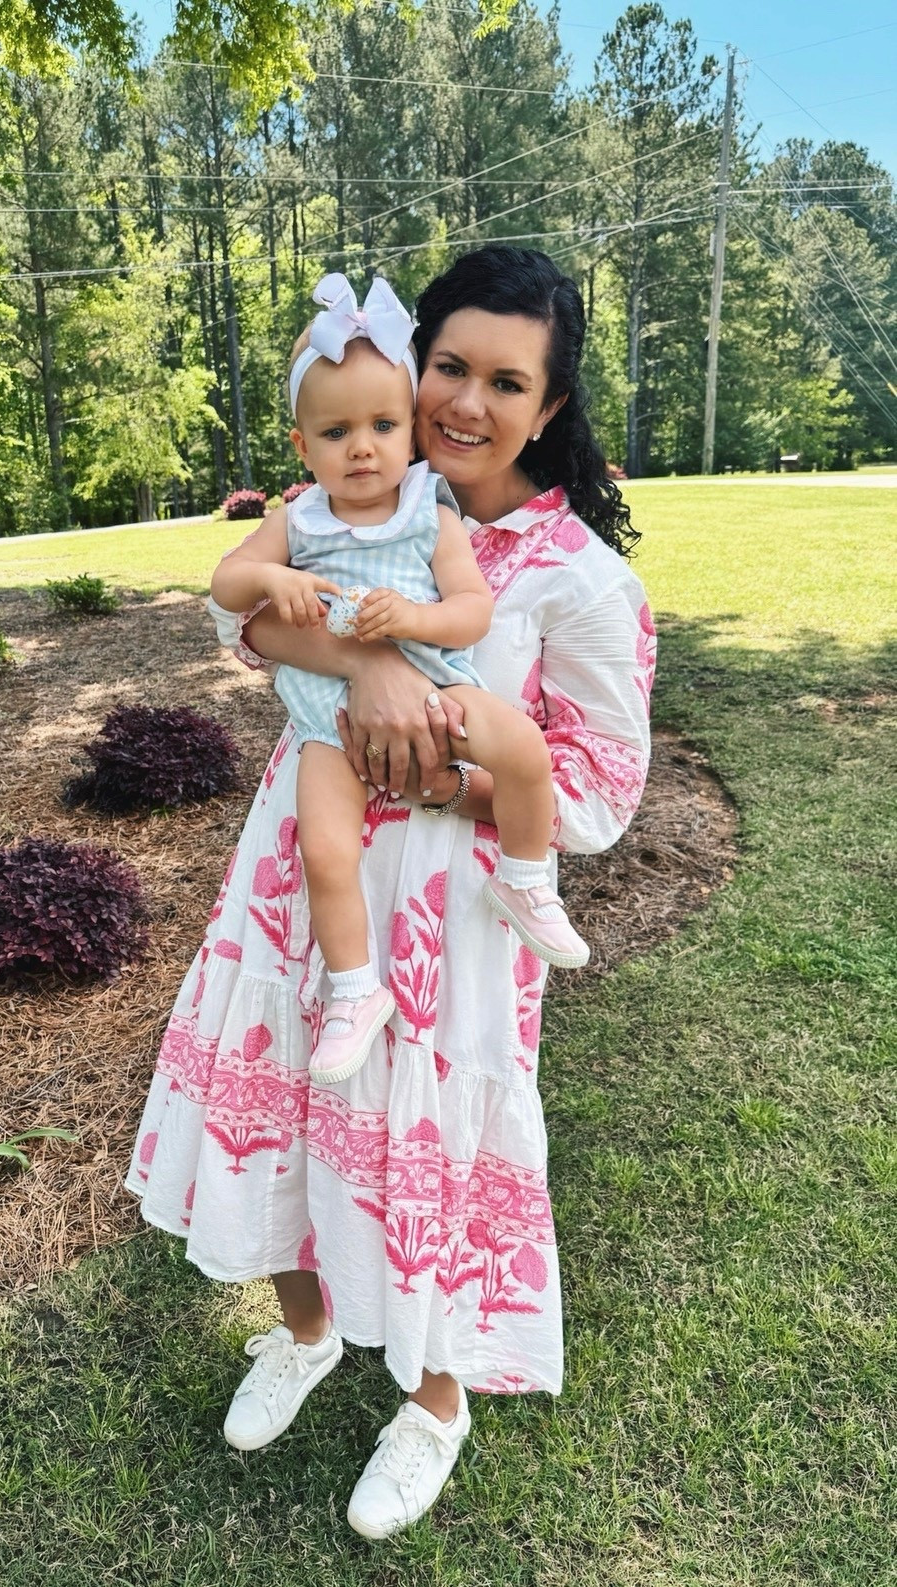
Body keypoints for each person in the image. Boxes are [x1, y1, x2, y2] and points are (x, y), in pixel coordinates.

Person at [126, 246, 654, 1540]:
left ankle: (431, 1399)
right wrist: (363, 671)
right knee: (290, 1099)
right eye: (449, 366)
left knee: (420, 1141)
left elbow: (596, 793)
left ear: (549, 405)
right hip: (293, 877)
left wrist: (450, 764)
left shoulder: (576, 575)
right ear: (408, 365)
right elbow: (237, 620)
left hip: (447, 926)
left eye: (505, 380)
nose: (464, 402)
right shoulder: (354, 485)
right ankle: (304, 1329)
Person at [210, 273, 590, 1088]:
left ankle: (524, 879)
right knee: (324, 848)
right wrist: (269, 582)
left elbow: (470, 610)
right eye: (338, 430)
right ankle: (354, 986)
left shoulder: (427, 510)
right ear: (301, 445)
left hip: (443, 691)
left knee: (523, 750)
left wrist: (408, 626)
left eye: (383, 425)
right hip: (329, 727)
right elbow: (226, 588)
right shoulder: (300, 517)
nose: (363, 447)